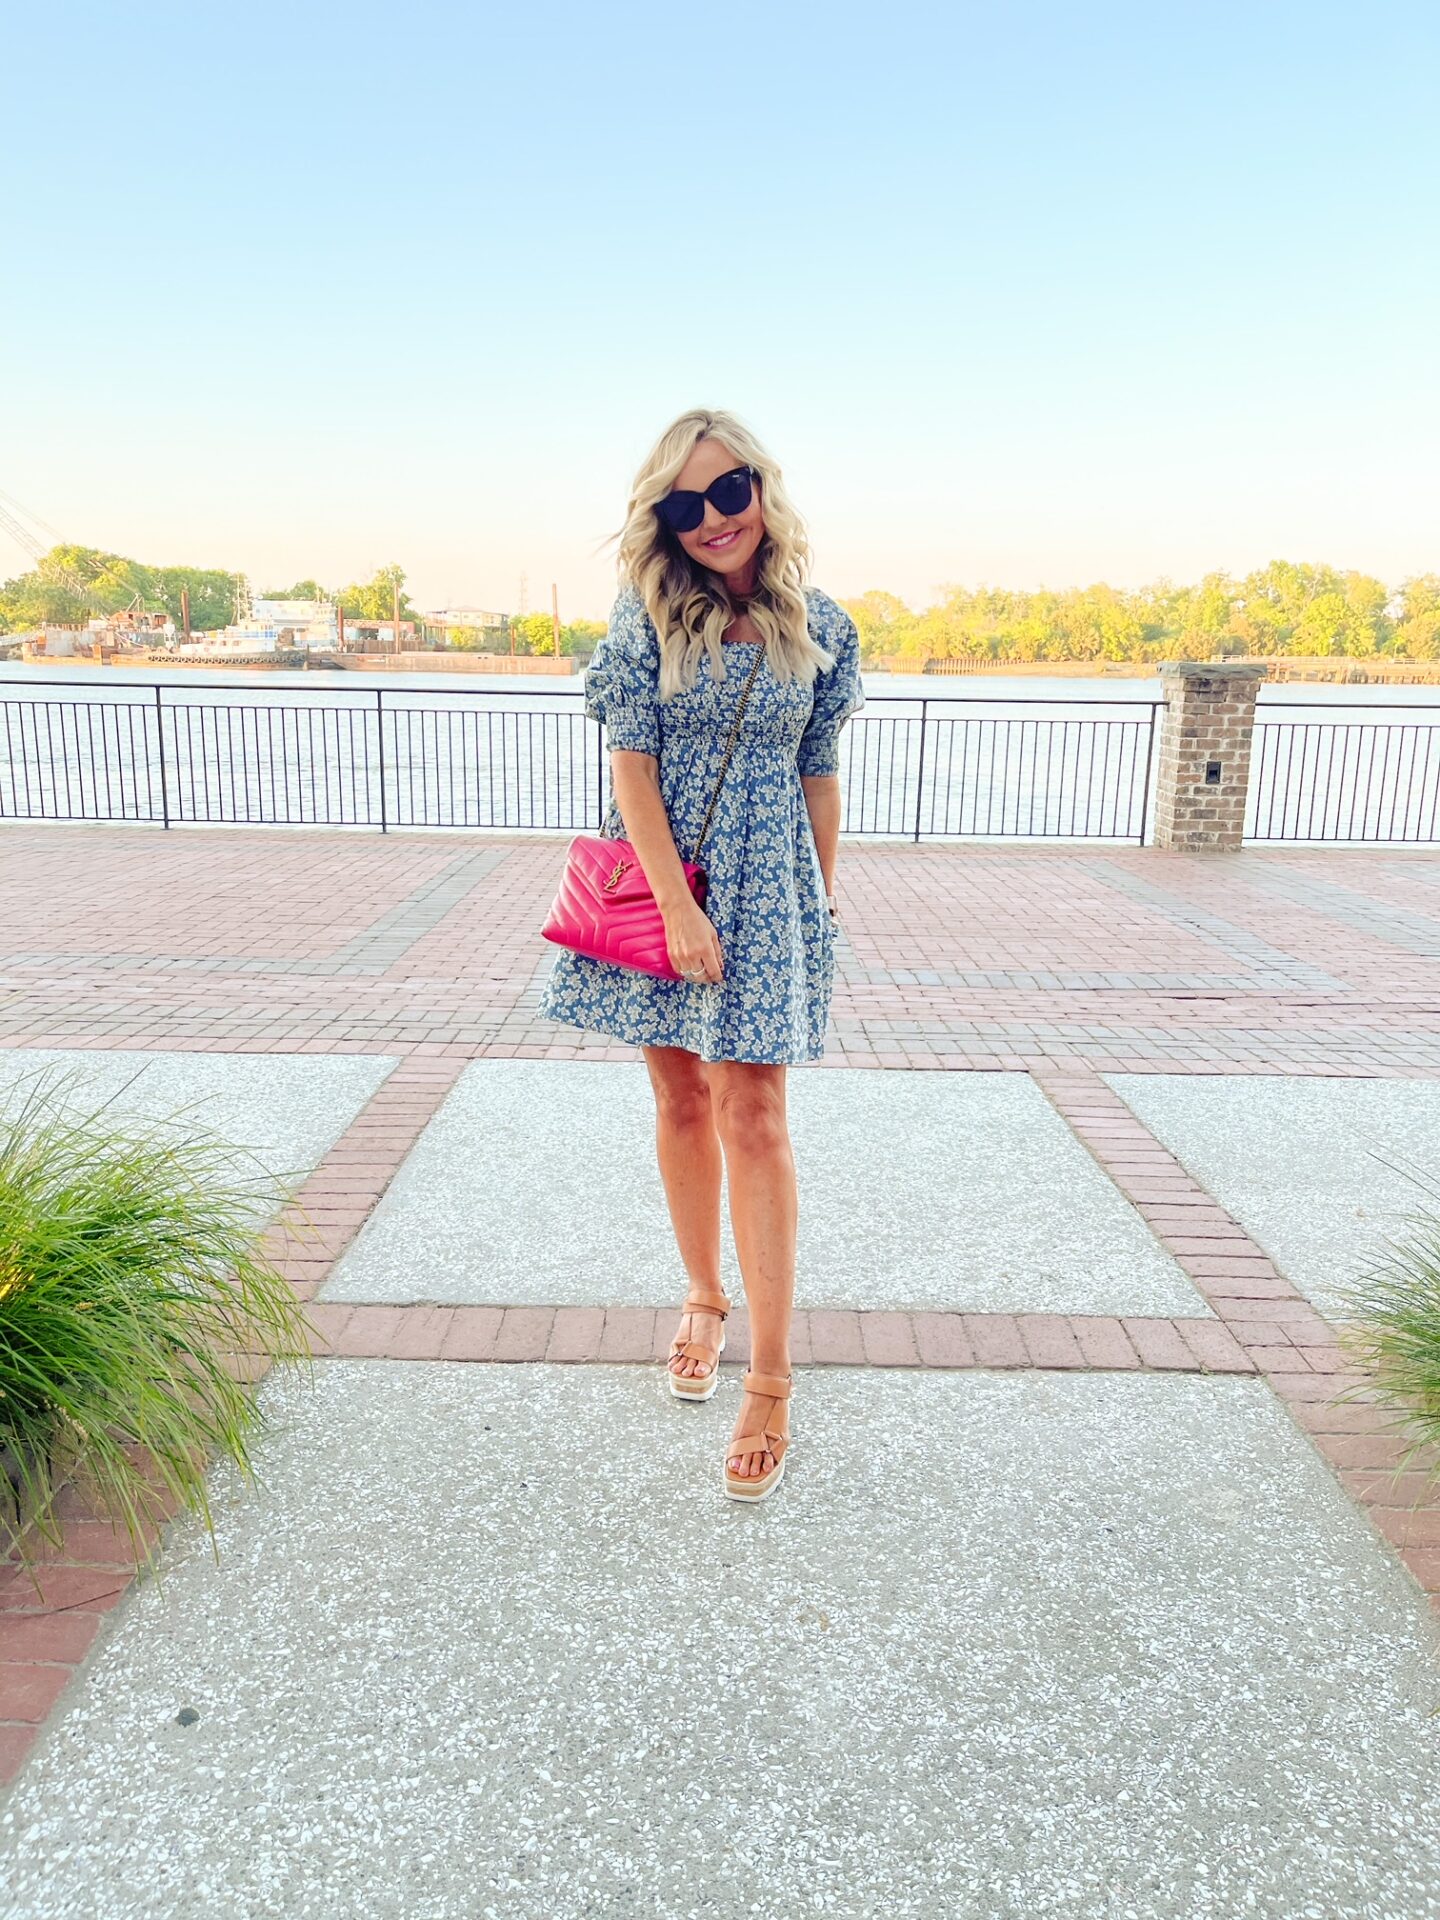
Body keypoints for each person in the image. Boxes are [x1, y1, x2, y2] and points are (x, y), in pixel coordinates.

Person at [538, 407, 864, 1502]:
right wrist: (679, 908)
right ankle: (703, 1297)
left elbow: (819, 772)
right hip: (664, 881)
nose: (715, 517)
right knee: (681, 1100)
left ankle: (770, 1379)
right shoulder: (645, 616)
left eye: (731, 491)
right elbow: (632, 768)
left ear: (762, 491)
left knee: (755, 1113)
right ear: (663, 520)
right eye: (686, 504)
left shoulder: (822, 624)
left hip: (770, 890)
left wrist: (819, 901)